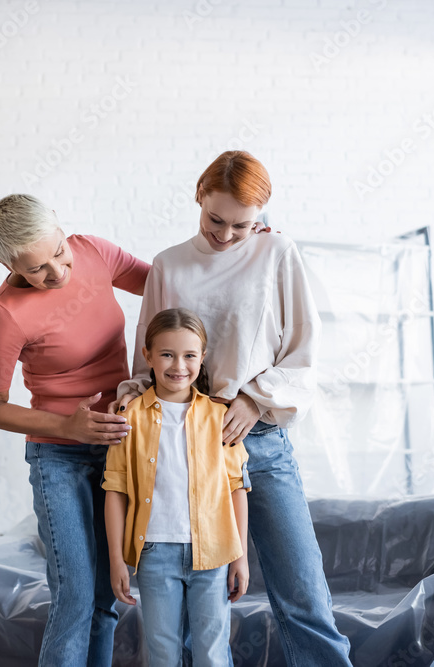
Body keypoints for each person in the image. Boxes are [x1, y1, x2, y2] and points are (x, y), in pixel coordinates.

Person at [114, 151, 353, 666]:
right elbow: (147, 353)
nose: (225, 234)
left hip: (257, 437)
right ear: (199, 198)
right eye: (214, 219)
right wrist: (132, 395)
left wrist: (252, 398)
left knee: (302, 590)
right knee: (174, 621)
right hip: (179, 441)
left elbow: (304, 352)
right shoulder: (169, 264)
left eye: (241, 225)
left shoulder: (278, 253)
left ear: (263, 213)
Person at [0, 194, 149, 666]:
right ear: (5, 264)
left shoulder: (94, 251)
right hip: (59, 458)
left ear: (60, 227)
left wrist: (240, 252)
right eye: (37, 269)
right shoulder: (8, 311)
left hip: (118, 448)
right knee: (75, 593)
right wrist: (67, 426)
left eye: (57, 251)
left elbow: (169, 285)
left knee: (107, 596)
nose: (57, 271)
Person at [103, 308, 250, 666]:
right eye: (167, 354)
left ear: (202, 358)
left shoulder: (220, 417)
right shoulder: (129, 417)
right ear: (148, 356)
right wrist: (116, 561)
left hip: (213, 554)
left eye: (189, 355)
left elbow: (237, 487)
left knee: (213, 653)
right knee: (162, 653)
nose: (178, 365)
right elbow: (115, 491)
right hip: (154, 554)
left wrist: (240, 557)